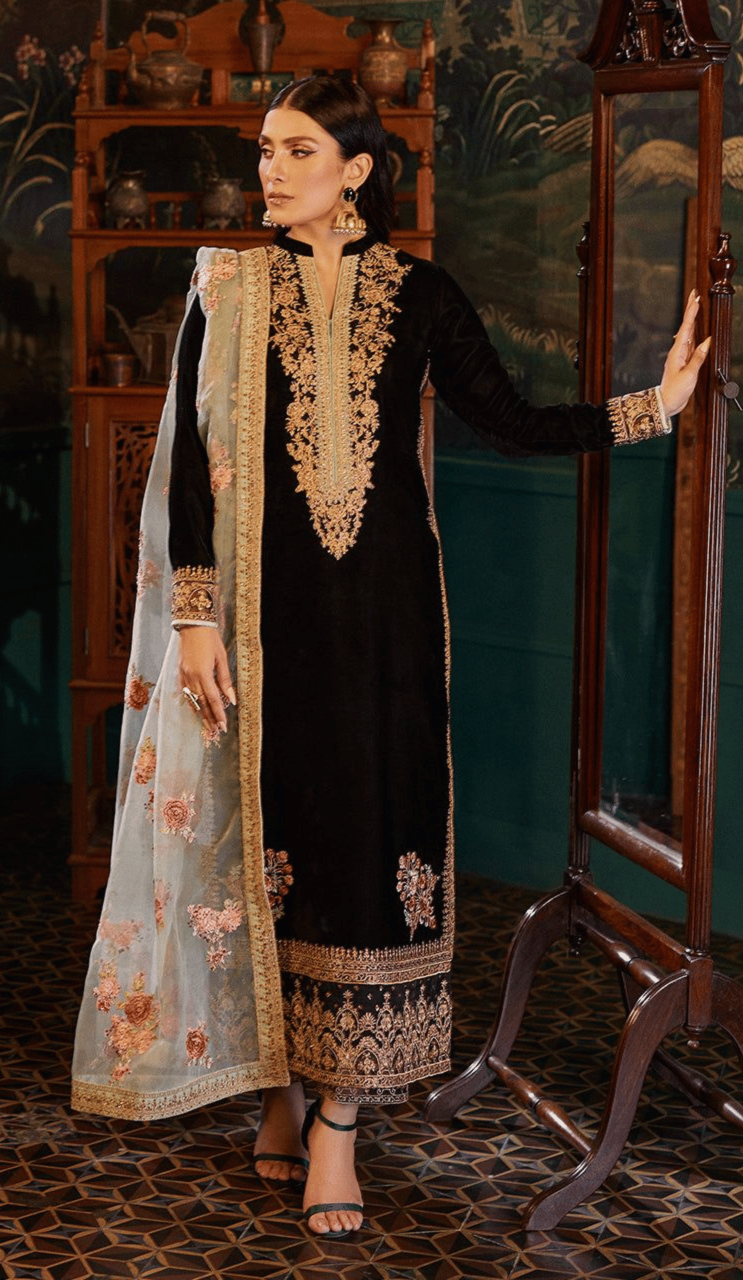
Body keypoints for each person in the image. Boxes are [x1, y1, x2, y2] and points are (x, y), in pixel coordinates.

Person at [71, 75, 710, 1239]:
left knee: (369, 842)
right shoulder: (228, 287)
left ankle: (338, 1123)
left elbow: (511, 417)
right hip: (262, 629)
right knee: (268, 843)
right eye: (264, 147)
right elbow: (198, 466)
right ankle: (276, 1082)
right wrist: (197, 620)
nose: (269, 167)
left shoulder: (417, 293)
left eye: (296, 148)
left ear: (357, 169)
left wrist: (649, 409)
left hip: (386, 628)